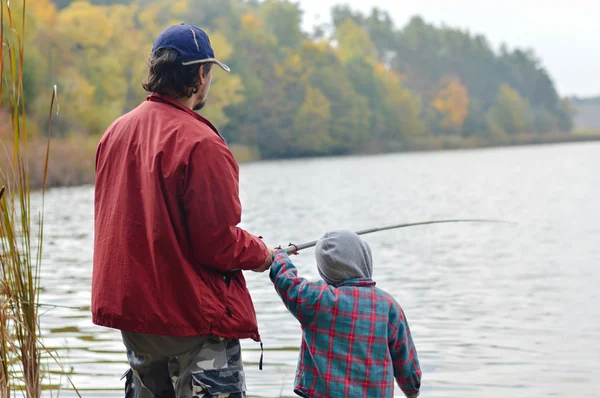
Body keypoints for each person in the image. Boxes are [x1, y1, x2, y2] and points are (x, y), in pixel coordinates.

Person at [92, 23, 274, 398]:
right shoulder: (201, 143)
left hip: (140, 323)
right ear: (201, 73)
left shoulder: (115, 133)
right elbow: (217, 244)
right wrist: (262, 253)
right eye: (209, 73)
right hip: (192, 320)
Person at [269, 230, 422, 398]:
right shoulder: (388, 306)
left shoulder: (317, 299)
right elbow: (405, 359)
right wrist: (411, 390)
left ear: (324, 269)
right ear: (364, 259)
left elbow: (287, 282)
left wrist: (279, 256)